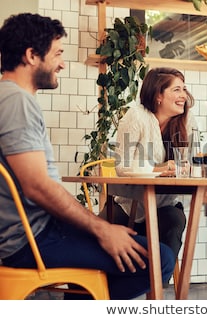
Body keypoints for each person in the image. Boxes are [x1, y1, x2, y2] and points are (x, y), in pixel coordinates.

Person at [0, 13, 175, 299]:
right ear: (31, 55)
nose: (62, 63)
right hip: (32, 239)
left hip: (32, 233)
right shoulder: (17, 101)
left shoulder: (8, 97)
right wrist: (102, 230)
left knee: (132, 249)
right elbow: (37, 186)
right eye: (57, 53)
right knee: (159, 259)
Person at [106, 67, 196, 262]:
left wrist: (187, 167)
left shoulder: (186, 121)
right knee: (95, 234)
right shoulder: (136, 116)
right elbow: (122, 167)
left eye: (184, 89)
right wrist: (160, 169)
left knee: (175, 222)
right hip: (130, 204)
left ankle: (158, 281)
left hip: (165, 203)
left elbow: (187, 164)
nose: (184, 96)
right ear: (158, 95)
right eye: (177, 90)